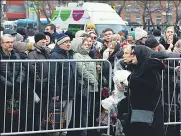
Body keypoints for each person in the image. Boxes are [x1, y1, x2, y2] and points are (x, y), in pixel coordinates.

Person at [124, 45, 165, 136]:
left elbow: (148, 88)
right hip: (140, 114)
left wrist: (131, 79)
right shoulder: (140, 68)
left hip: (149, 116)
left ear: (141, 54)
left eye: (134, 54)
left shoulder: (151, 70)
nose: (132, 56)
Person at [50, 34, 75, 136]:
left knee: (67, 119)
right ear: (59, 44)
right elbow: (53, 76)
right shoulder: (55, 55)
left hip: (70, 91)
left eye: (69, 42)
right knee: (57, 119)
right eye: (65, 42)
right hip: (60, 93)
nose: (68, 44)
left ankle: (63, 133)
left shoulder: (70, 54)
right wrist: (56, 92)